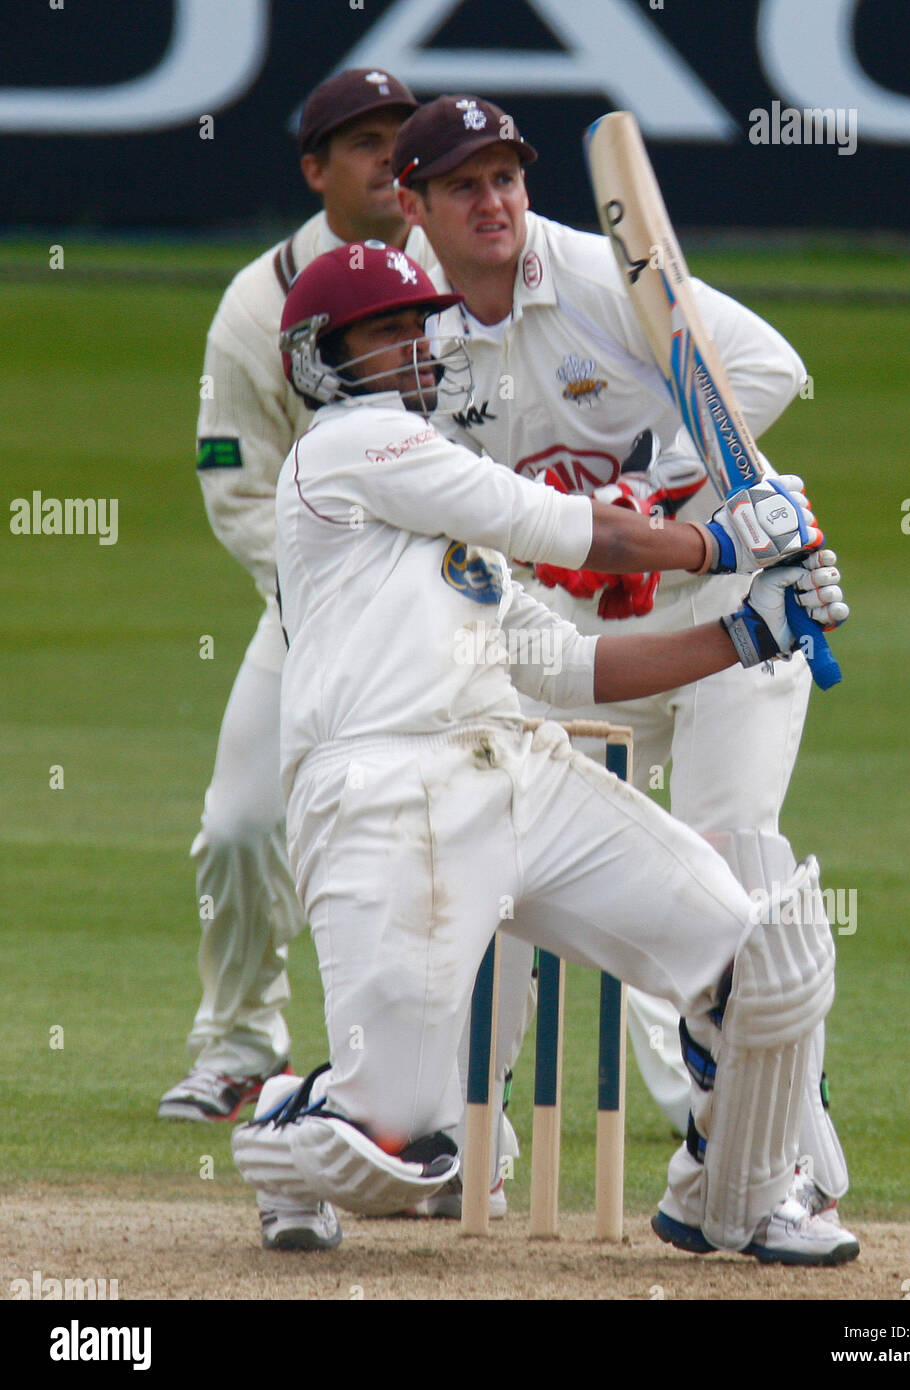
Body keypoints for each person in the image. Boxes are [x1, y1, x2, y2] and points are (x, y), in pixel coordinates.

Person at [229, 240, 856, 1267]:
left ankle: (732, 1199)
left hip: (516, 768)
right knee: (401, 1148)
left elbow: (562, 666)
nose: (411, 351)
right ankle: (287, 1123)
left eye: (415, 330)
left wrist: (747, 632)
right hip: (385, 792)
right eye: (381, 333)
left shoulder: (445, 522)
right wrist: (724, 541)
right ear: (316, 360)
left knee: (761, 965)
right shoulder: (347, 448)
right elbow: (572, 530)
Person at [389, 96, 850, 1213]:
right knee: (490, 860)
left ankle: (744, 1162)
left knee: (733, 858)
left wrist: (663, 497)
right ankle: (454, 1141)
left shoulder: (597, 276)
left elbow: (769, 369)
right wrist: (593, 533)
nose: (493, 202)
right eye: (463, 186)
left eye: (504, 177)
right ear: (413, 206)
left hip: (721, 597)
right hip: (560, 632)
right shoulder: (408, 328)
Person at [159, 69, 428, 1128]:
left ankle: (678, 1076)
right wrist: (340, 595)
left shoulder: (474, 261)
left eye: (400, 139)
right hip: (312, 620)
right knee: (238, 826)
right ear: (315, 169)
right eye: (363, 143)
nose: (388, 160)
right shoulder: (259, 301)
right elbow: (236, 483)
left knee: (531, 843)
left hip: (475, 625)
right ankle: (234, 1045)